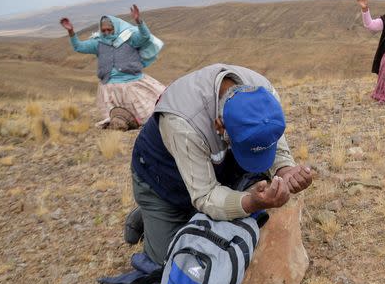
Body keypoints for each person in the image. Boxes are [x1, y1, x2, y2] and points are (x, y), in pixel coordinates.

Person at [125, 64, 313, 266]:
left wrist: (284, 170)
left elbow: (271, 137)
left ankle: (186, 211)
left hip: (216, 162)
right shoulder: (184, 123)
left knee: (239, 217)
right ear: (219, 125)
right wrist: (252, 202)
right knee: (175, 262)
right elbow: (205, 195)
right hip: (162, 176)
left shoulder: (265, 96)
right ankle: (151, 211)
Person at [60, 5, 166, 129]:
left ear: (115, 28)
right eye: (103, 30)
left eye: (109, 30)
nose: (106, 33)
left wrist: (138, 21)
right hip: (109, 88)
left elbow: (145, 37)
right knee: (114, 120)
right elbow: (79, 47)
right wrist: (71, 31)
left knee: (149, 115)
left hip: (132, 83)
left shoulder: (129, 39)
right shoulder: (98, 43)